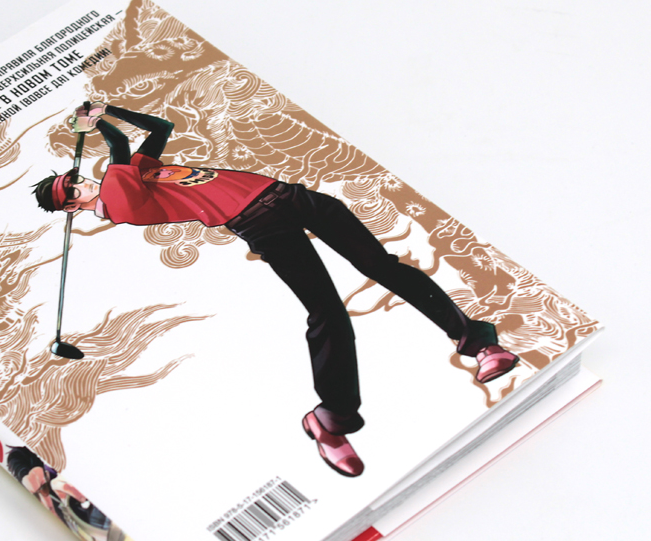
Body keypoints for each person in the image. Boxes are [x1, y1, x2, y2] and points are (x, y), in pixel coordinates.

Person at [33, 103, 518, 478]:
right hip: (260, 223)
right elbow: (119, 146)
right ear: (72, 209)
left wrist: (110, 109)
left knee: (381, 265)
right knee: (327, 311)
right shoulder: (120, 201)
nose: (80, 185)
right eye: (71, 192)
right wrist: (100, 121)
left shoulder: (133, 176)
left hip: (287, 194)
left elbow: (159, 127)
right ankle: (331, 421)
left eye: (74, 179)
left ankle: (477, 342)